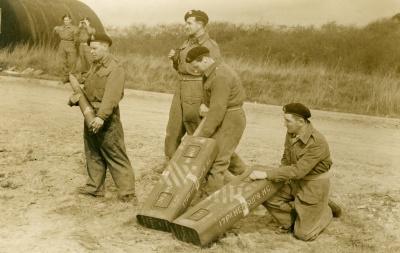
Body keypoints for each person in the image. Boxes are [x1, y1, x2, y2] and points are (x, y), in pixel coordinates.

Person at [249, 103, 342, 241]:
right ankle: (292, 221)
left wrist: (267, 174)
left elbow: (299, 170)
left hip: (312, 186)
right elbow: (286, 158)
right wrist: (279, 177)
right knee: (264, 193)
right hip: (294, 181)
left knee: (304, 235)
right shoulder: (292, 132)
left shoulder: (318, 142)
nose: (284, 124)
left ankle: (326, 210)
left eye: (287, 121)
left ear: (300, 122)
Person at [67, 34, 136, 203]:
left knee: (115, 153)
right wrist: (73, 100)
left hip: (105, 117)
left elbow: (112, 97)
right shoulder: (94, 66)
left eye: (95, 48)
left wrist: (101, 118)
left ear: (105, 47)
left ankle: (127, 193)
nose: (92, 51)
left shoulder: (115, 68)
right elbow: (88, 91)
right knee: (93, 152)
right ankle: (94, 188)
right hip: (89, 114)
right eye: (91, 48)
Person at [185, 46, 247, 197]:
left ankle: (209, 200)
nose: (195, 70)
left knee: (218, 162)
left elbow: (217, 110)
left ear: (205, 59)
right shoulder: (213, 72)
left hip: (230, 118)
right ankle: (250, 177)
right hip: (224, 115)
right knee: (225, 154)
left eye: (196, 66)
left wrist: (203, 134)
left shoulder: (220, 76)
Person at [164, 10, 220, 160]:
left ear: (200, 24)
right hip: (181, 86)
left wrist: (206, 101)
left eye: (189, 23)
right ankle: (171, 163)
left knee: (195, 128)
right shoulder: (186, 42)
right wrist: (175, 60)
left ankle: (205, 166)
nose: (185, 26)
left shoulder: (210, 45)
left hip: (197, 88)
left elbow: (213, 73)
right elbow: (182, 67)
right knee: (173, 128)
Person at [53, 14, 77, 84]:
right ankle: (65, 76)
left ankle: (72, 77)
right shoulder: (59, 28)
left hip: (71, 44)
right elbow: (55, 35)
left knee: (72, 61)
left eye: (67, 20)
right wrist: (55, 29)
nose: (65, 22)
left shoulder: (74, 28)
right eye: (64, 20)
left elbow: (77, 38)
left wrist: (74, 44)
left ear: (70, 20)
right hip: (62, 44)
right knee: (62, 61)